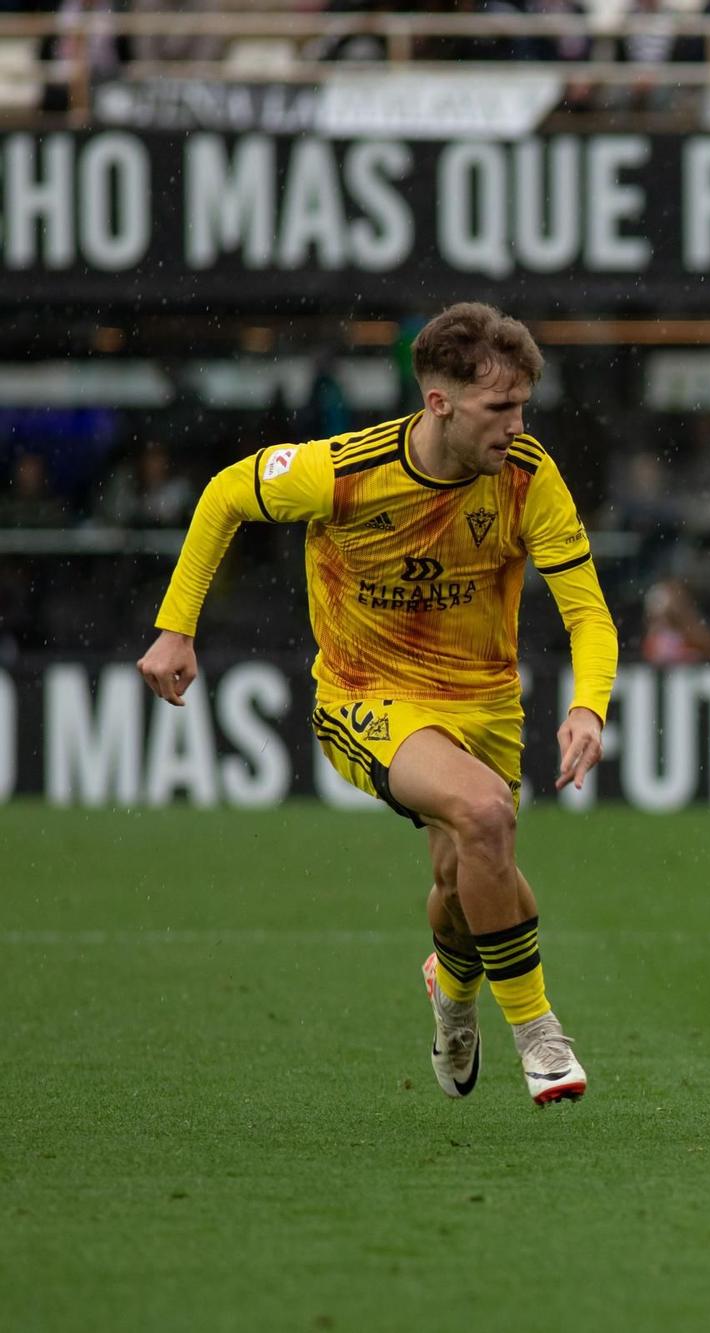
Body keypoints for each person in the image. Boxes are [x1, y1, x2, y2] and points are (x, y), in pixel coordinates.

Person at [137, 302, 618, 1106]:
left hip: (486, 703)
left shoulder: (529, 476)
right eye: (501, 408)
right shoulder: (345, 470)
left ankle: (453, 990)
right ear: (440, 404)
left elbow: (588, 611)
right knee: (486, 817)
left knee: (465, 876)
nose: (518, 424)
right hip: (367, 693)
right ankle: (539, 1035)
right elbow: (226, 493)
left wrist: (589, 705)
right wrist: (176, 628)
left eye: (523, 405)